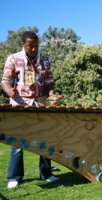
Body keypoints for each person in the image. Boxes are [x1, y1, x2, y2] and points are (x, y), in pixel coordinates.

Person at [1, 31, 60, 189]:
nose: (34, 49)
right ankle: (15, 177)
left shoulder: (45, 61)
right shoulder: (13, 59)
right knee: (18, 142)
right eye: (30, 46)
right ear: (23, 44)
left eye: (36, 46)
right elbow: (5, 81)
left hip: (40, 104)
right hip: (20, 104)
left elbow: (49, 83)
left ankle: (46, 173)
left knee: (45, 139)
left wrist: (52, 95)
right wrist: (9, 91)